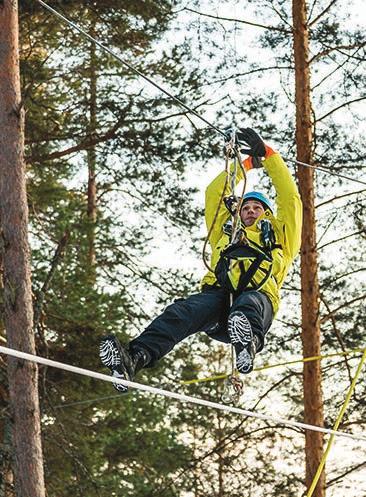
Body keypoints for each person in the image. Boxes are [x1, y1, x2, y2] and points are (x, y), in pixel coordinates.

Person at [99, 128, 302, 392]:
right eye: (246, 207)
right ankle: (134, 358)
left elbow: (291, 199)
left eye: (257, 207)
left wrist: (270, 157)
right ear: (238, 212)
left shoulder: (280, 234)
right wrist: (247, 165)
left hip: (258, 298)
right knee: (182, 312)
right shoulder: (226, 232)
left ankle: (247, 342)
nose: (250, 211)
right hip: (218, 301)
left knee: (248, 304)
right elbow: (214, 192)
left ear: (267, 212)